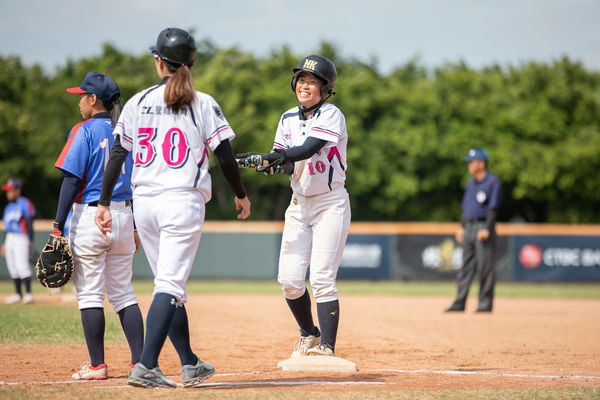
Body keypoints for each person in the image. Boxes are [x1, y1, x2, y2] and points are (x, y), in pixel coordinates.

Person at [95, 27, 251, 389]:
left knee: (169, 283)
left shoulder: (136, 102)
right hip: (181, 201)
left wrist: (104, 202)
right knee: (169, 284)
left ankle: (190, 363)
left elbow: (118, 155)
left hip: (144, 204)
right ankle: (147, 365)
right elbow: (224, 155)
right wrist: (240, 193)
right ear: (192, 63)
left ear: (159, 62)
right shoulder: (202, 102)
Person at [237, 55, 351, 358]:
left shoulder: (331, 114)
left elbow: (307, 149)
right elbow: (287, 163)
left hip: (330, 203)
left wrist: (275, 157)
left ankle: (327, 347)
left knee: (322, 278)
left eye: (312, 81)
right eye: (301, 79)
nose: (305, 85)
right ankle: (309, 333)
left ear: (325, 89)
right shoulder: (287, 118)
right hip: (299, 204)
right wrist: (267, 164)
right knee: (288, 280)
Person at [53, 72, 144, 380]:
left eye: (82, 96)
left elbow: (72, 179)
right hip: (125, 215)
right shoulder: (126, 132)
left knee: (91, 294)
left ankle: (97, 366)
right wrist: (134, 225)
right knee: (123, 293)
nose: (79, 101)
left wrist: (57, 225)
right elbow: (138, 182)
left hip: (92, 217)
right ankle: (139, 364)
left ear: (93, 99)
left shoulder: (84, 130)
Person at [446, 148, 502, 313]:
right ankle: (459, 301)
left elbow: (493, 208)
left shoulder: (493, 182)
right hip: (469, 226)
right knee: (465, 266)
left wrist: (487, 228)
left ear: (481, 163)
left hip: (483, 227)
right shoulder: (470, 183)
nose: (469, 165)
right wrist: (461, 226)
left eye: (471, 162)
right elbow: (466, 208)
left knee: (485, 266)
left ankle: (485, 303)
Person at [1, 178, 35, 304]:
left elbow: (30, 222)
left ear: (18, 191)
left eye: (11, 190)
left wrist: (30, 240)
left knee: (22, 266)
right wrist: (4, 243)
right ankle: (18, 294)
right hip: (9, 238)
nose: (8, 193)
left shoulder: (25, 203)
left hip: (21, 237)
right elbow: (6, 227)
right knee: (12, 266)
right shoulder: (8, 207)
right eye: (7, 191)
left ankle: (28, 294)